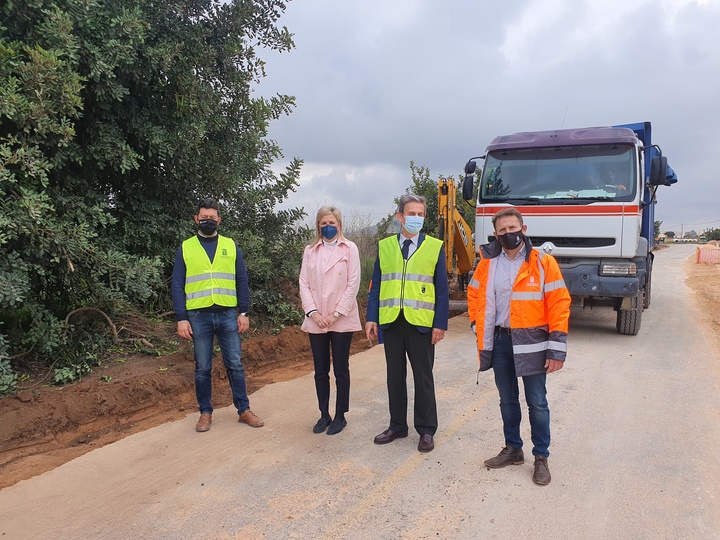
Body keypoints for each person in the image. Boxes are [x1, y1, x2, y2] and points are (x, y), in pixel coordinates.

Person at [467, 208, 570, 485]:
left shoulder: (542, 262)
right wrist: (478, 324)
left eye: (513, 228)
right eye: (502, 230)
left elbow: (559, 303)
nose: (508, 233)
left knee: (537, 401)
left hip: (533, 342)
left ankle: (541, 457)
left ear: (523, 229)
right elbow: (474, 293)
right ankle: (513, 449)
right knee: (507, 400)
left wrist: (556, 347)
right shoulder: (488, 262)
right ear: (496, 234)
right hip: (500, 340)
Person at [171, 198, 264, 432]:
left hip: (227, 315)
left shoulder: (231, 246)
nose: (208, 221)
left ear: (219, 220)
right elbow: (177, 283)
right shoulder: (186, 247)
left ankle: (244, 410)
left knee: (235, 364)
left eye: (212, 217)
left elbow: (241, 280)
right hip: (198, 317)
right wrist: (181, 317)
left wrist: (243, 312)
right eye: (204, 217)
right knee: (203, 367)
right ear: (196, 219)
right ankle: (205, 413)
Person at [366, 194, 449, 453]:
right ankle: (397, 425)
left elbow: (443, 290)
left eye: (421, 214)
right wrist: (371, 317)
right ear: (400, 216)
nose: (416, 219)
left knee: (423, 377)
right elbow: (376, 285)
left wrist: (440, 324)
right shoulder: (385, 246)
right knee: (395, 376)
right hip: (392, 321)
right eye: (411, 214)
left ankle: (426, 430)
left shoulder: (435, 247)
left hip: (421, 323)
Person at [299, 206, 362, 436]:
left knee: (341, 369)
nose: (328, 227)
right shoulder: (310, 251)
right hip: (316, 319)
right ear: (318, 225)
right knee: (320, 370)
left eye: (332, 223)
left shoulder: (349, 248)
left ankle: (340, 416)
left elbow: (353, 283)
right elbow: (304, 283)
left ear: (339, 225)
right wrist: (313, 313)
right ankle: (324, 414)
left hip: (341, 319)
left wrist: (335, 314)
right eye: (324, 223)